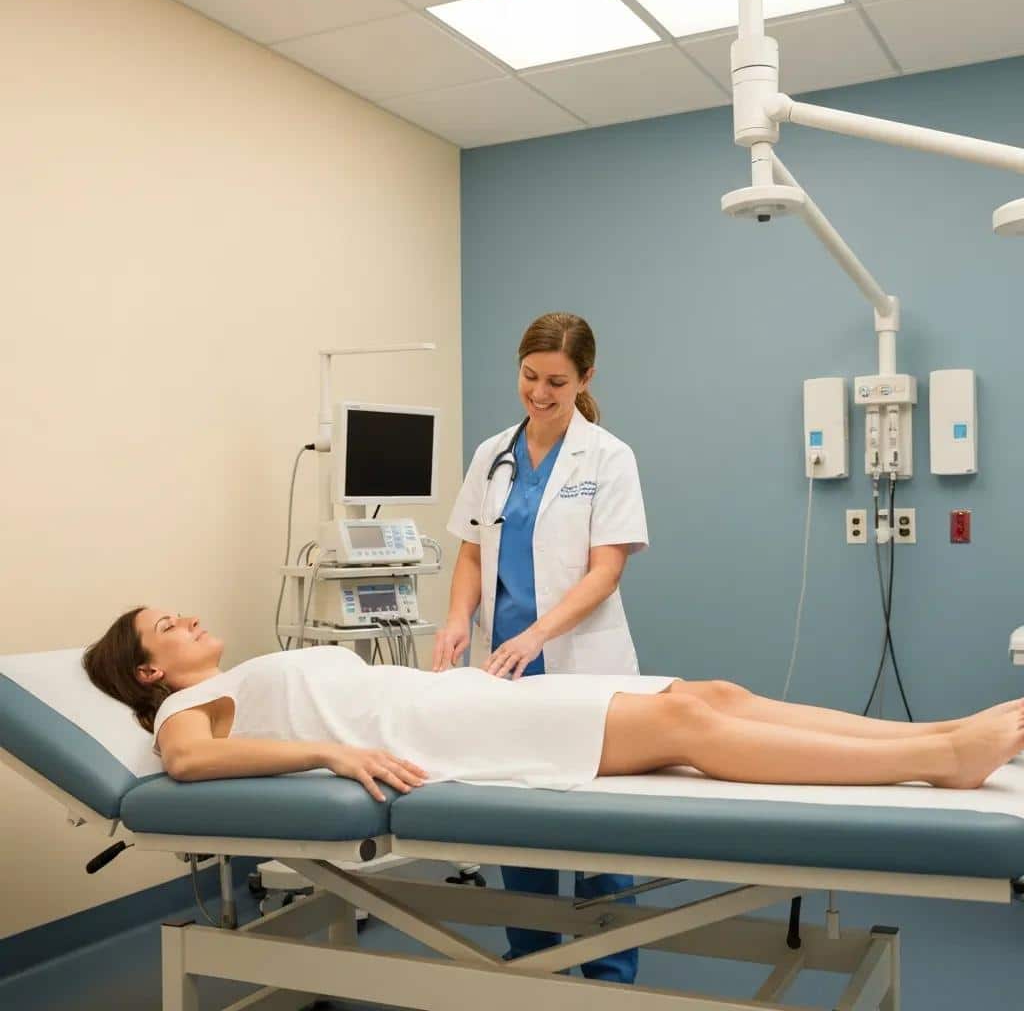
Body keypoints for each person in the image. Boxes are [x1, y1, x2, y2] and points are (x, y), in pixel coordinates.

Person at [85, 607, 1024, 798]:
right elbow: (190, 763)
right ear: (149, 673)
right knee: (686, 728)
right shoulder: (183, 711)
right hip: (440, 730)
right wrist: (331, 754)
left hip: (455, 698)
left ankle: (937, 731)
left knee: (711, 693)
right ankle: (941, 762)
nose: (189, 618)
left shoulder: (238, 677)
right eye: (168, 625)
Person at [434, 311, 650, 981]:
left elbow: (605, 572)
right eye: (530, 376)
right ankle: (531, 969)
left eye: (557, 381)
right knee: (520, 828)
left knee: (598, 838)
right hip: (507, 670)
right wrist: (457, 618)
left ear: (585, 378)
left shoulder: (608, 457)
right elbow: (473, 554)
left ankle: (609, 981)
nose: (539, 392)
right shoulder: (492, 455)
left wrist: (536, 632)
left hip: (582, 667)